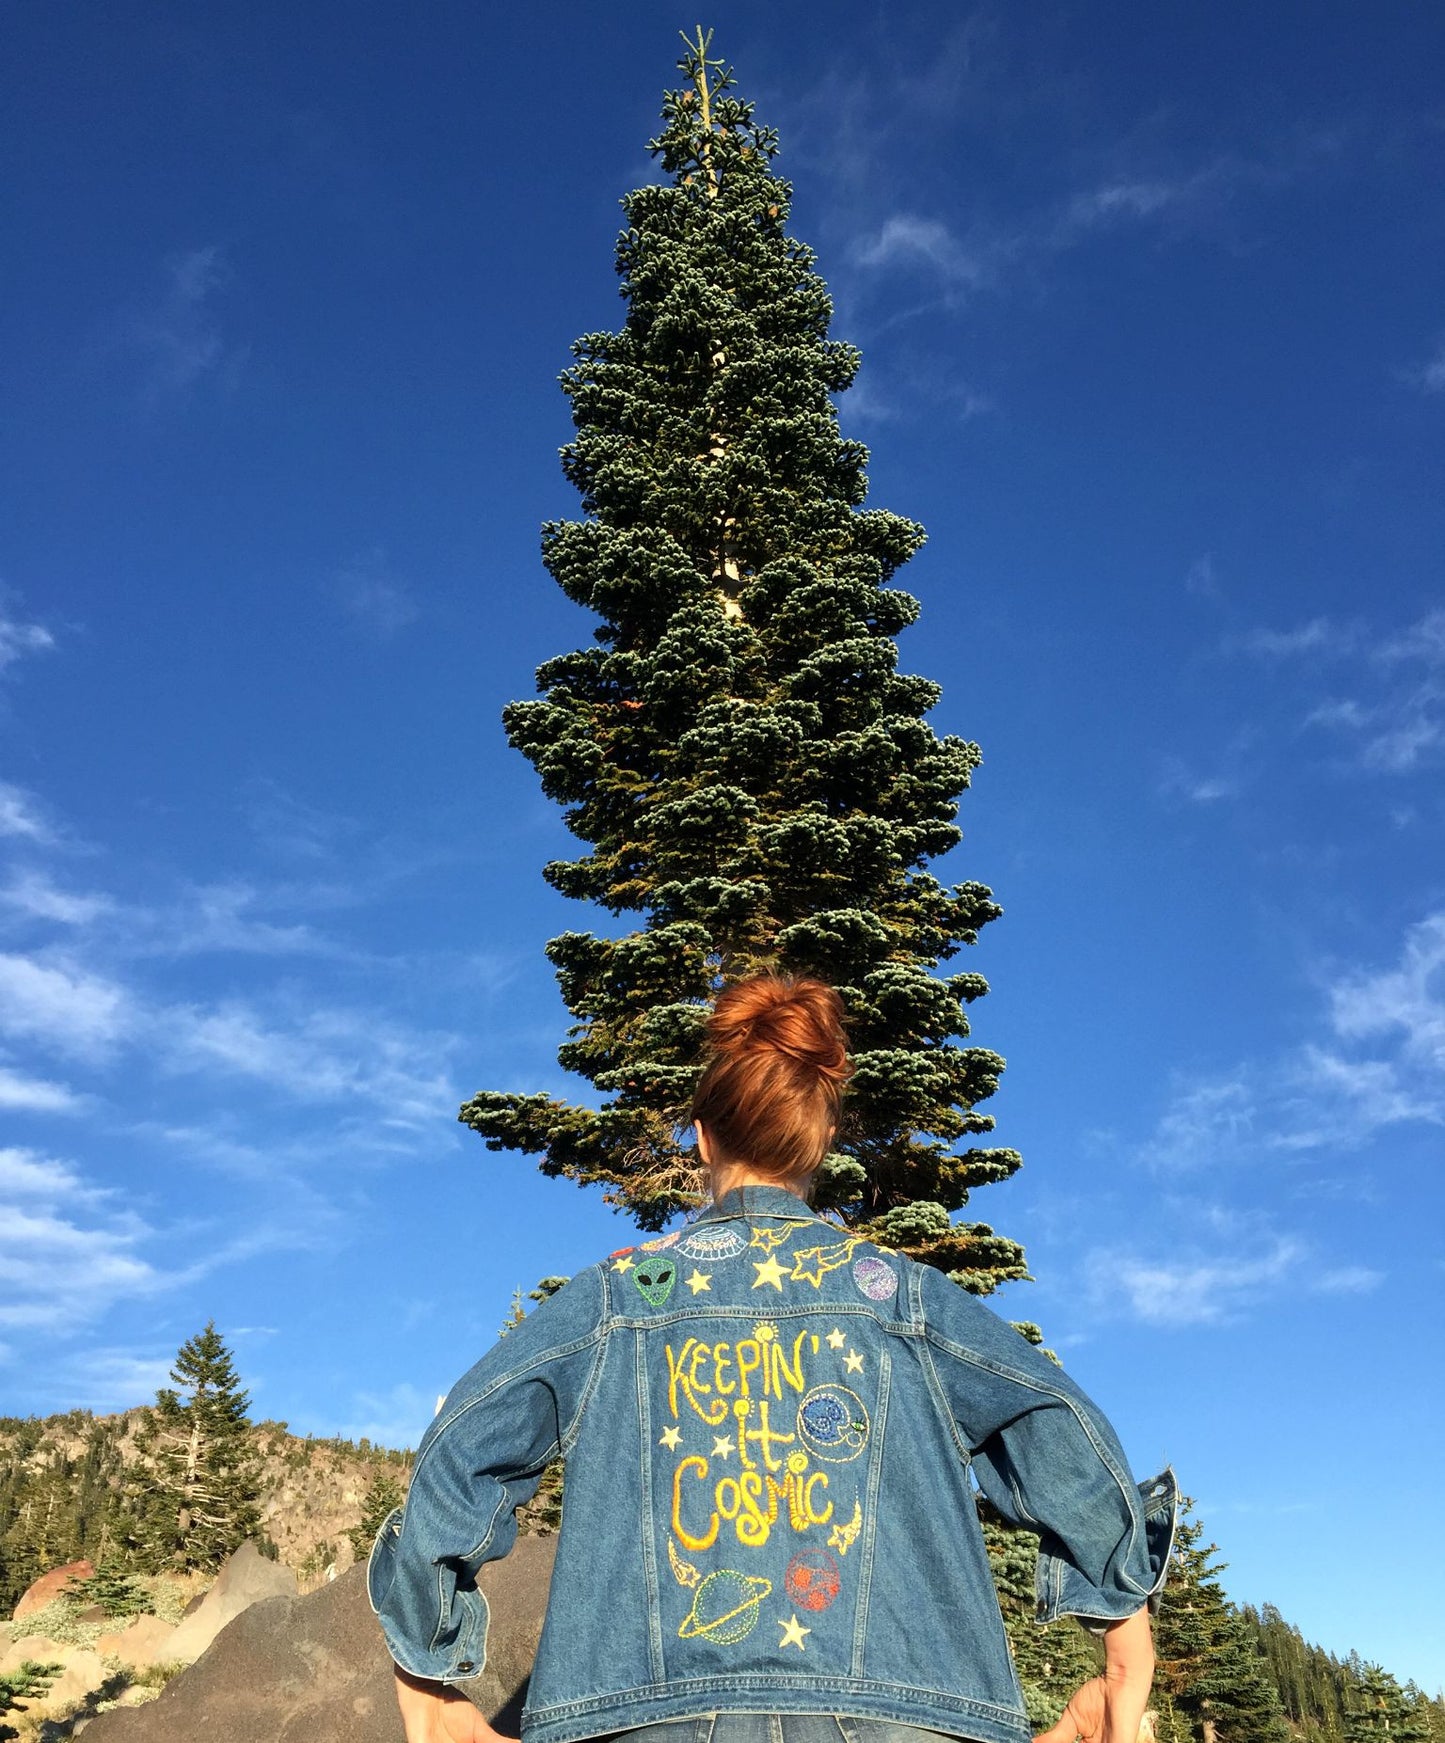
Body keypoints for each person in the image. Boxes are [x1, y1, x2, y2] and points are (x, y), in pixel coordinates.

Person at [370, 975, 1176, 1743]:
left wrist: (429, 1686)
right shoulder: (901, 1297)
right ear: (821, 1137)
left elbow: (463, 1442)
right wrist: (1121, 1653)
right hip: (911, 1712)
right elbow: (1056, 1419)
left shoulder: (619, 1299)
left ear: (701, 1135)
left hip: (641, 1718)